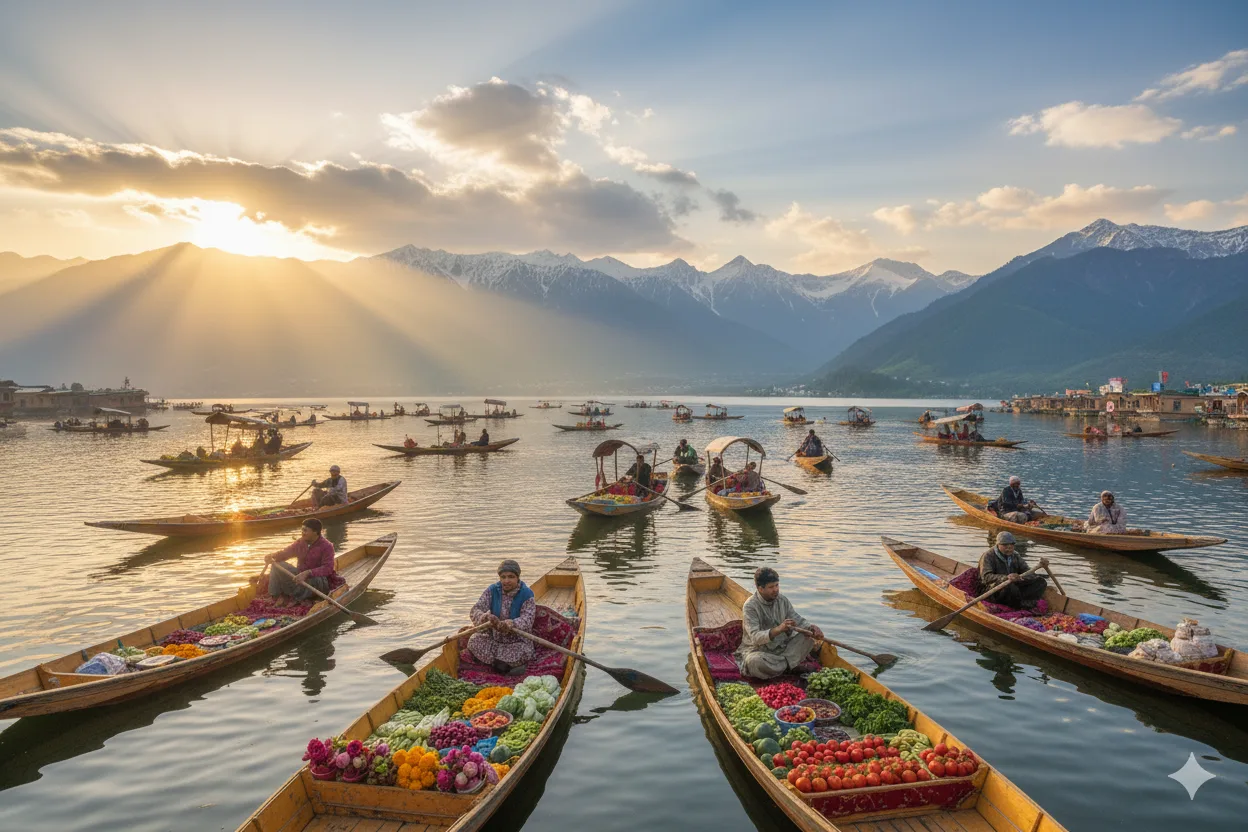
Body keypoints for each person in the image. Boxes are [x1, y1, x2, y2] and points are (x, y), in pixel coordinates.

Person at [735, 567, 824, 679]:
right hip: (760, 651)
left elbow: (798, 620)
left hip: (782, 648)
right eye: (771, 587)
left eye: (777, 585)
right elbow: (755, 638)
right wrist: (779, 629)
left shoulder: (782, 600)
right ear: (759, 588)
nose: (776, 590)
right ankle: (790, 665)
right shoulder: (750, 606)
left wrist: (811, 628)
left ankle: (782, 666)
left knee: (808, 638)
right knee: (753, 662)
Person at [467, 559, 536, 674]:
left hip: (517, 641)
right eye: (503, 577)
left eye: (511, 577)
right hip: (495, 638)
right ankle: (502, 664)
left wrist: (511, 624)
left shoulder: (527, 594)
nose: (506, 581)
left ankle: (499, 664)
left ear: (517, 577)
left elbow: (527, 619)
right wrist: (484, 617)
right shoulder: (492, 590)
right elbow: (475, 609)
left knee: (525, 652)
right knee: (474, 641)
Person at [264, 518, 337, 604]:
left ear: (315, 532)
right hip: (300, 575)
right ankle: (274, 595)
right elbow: (286, 553)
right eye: (302, 530)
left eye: (305, 530)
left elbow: (328, 568)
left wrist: (308, 573)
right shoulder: (300, 542)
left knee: (315, 581)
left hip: (317, 579)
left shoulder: (327, 546)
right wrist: (273, 556)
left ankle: (298, 597)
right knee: (278, 565)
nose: (302, 533)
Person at [977, 532, 1048, 610]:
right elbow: (986, 577)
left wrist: (1022, 577)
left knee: (1041, 582)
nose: (1009, 548)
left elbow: (1028, 572)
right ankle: (1018, 605)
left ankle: (1024, 602)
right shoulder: (988, 556)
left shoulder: (1015, 555)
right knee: (1010, 586)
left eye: (1011, 545)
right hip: (993, 590)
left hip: (1013, 586)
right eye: (1005, 545)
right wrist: (1006, 578)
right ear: (998, 544)